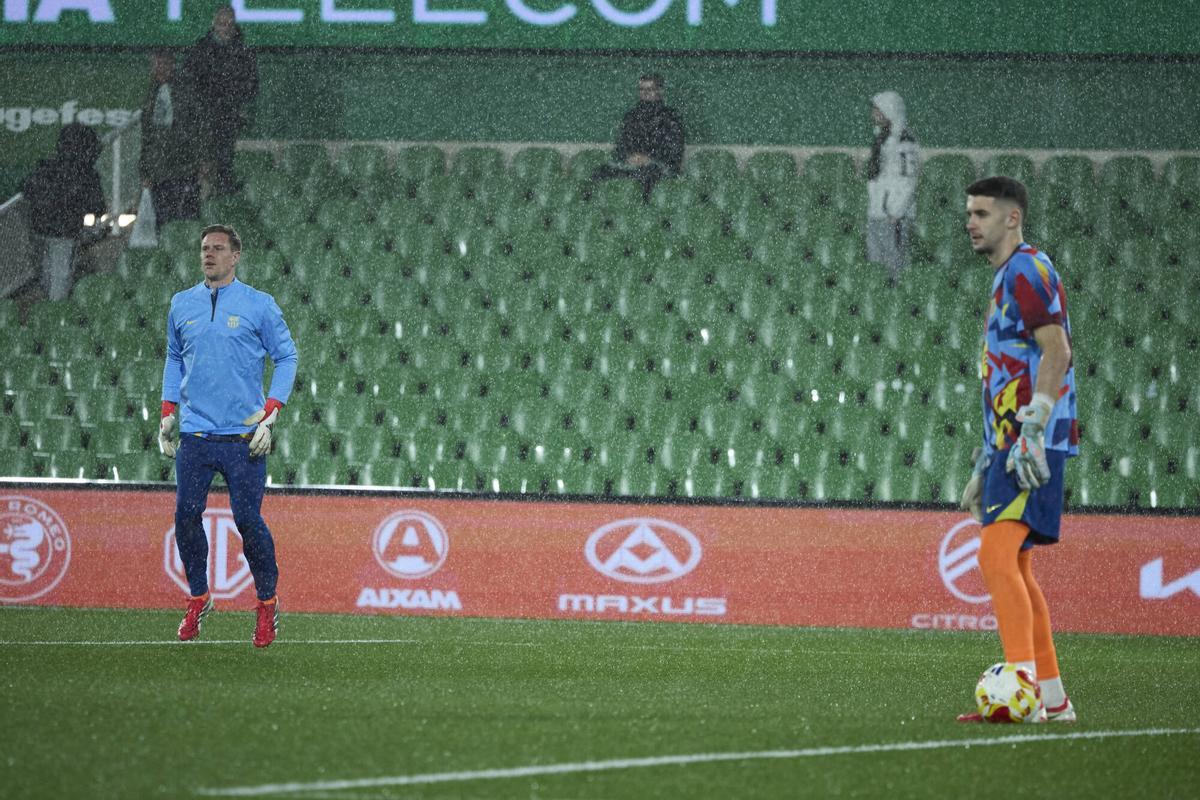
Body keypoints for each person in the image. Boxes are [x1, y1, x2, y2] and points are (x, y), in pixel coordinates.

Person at [957, 176, 1079, 723]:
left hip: (1030, 444)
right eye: (969, 213)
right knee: (1019, 569)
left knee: (994, 557)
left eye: (982, 213)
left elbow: (1058, 351)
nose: (971, 223)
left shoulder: (1028, 269)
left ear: (1012, 218)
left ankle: (1020, 693)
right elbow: (1011, 372)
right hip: (1009, 445)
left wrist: (1034, 428)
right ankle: (1051, 700)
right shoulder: (1008, 275)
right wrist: (988, 457)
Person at [159, 224, 298, 648]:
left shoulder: (259, 305)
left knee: (247, 519)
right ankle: (198, 597)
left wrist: (272, 413)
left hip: (243, 436)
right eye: (205, 248)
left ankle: (267, 602)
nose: (209, 254)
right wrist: (167, 411)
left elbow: (287, 357)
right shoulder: (182, 304)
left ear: (235, 256)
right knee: (185, 515)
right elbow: (173, 357)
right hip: (196, 433)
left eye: (218, 248)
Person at [20, 122, 105, 300]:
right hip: (65, 231)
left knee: (46, 274)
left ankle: (49, 307)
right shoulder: (86, 174)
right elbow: (97, 207)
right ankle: (56, 310)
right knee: (60, 276)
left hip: (39, 229)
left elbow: (26, 187)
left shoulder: (47, 167)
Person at [182, 5, 258, 197]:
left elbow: (251, 85)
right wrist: (202, 107)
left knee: (224, 163)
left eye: (229, 24)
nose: (226, 28)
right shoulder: (200, 50)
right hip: (203, 119)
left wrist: (236, 103)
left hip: (228, 118)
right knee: (200, 165)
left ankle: (222, 198)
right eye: (222, 23)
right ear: (214, 24)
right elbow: (189, 83)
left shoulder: (243, 52)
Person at [591, 73, 685, 201]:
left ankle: (643, 209)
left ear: (660, 91)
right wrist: (629, 157)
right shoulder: (631, 116)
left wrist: (649, 159)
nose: (645, 93)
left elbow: (674, 150)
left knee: (648, 175)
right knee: (600, 172)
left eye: (650, 89)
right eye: (642, 89)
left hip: (659, 167)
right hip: (632, 166)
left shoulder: (671, 117)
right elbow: (621, 145)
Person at [139, 49, 201, 230]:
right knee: (163, 220)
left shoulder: (186, 90)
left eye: (164, 64)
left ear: (173, 65)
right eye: (156, 65)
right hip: (159, 170)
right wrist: (145, 171)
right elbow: (147, 135)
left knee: (185, 219)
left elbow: (199, 126)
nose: (160, 69)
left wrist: (201, 158)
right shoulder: (152, 92)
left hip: (183, 166)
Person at [866, 91, 919, 278]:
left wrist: (896, 213)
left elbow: (909, 179)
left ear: (889, 111)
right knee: (876, 266)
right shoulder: (883, 138)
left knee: (894, 265)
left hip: (893, 217)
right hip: (878, 213)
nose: (874, 114)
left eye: (877, 110)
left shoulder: (904, 141)